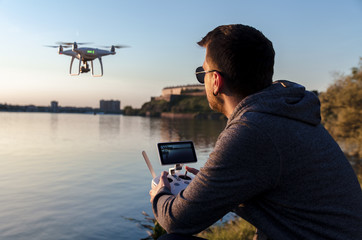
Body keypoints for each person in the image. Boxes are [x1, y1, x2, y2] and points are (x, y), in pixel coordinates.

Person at [149, 24, 362, 240]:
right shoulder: (288, 113)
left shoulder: (251, 129)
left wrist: (160, 194)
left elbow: (177, 220)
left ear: (215, 80)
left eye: (201, 73)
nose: (202, 80)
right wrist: (214, 189)